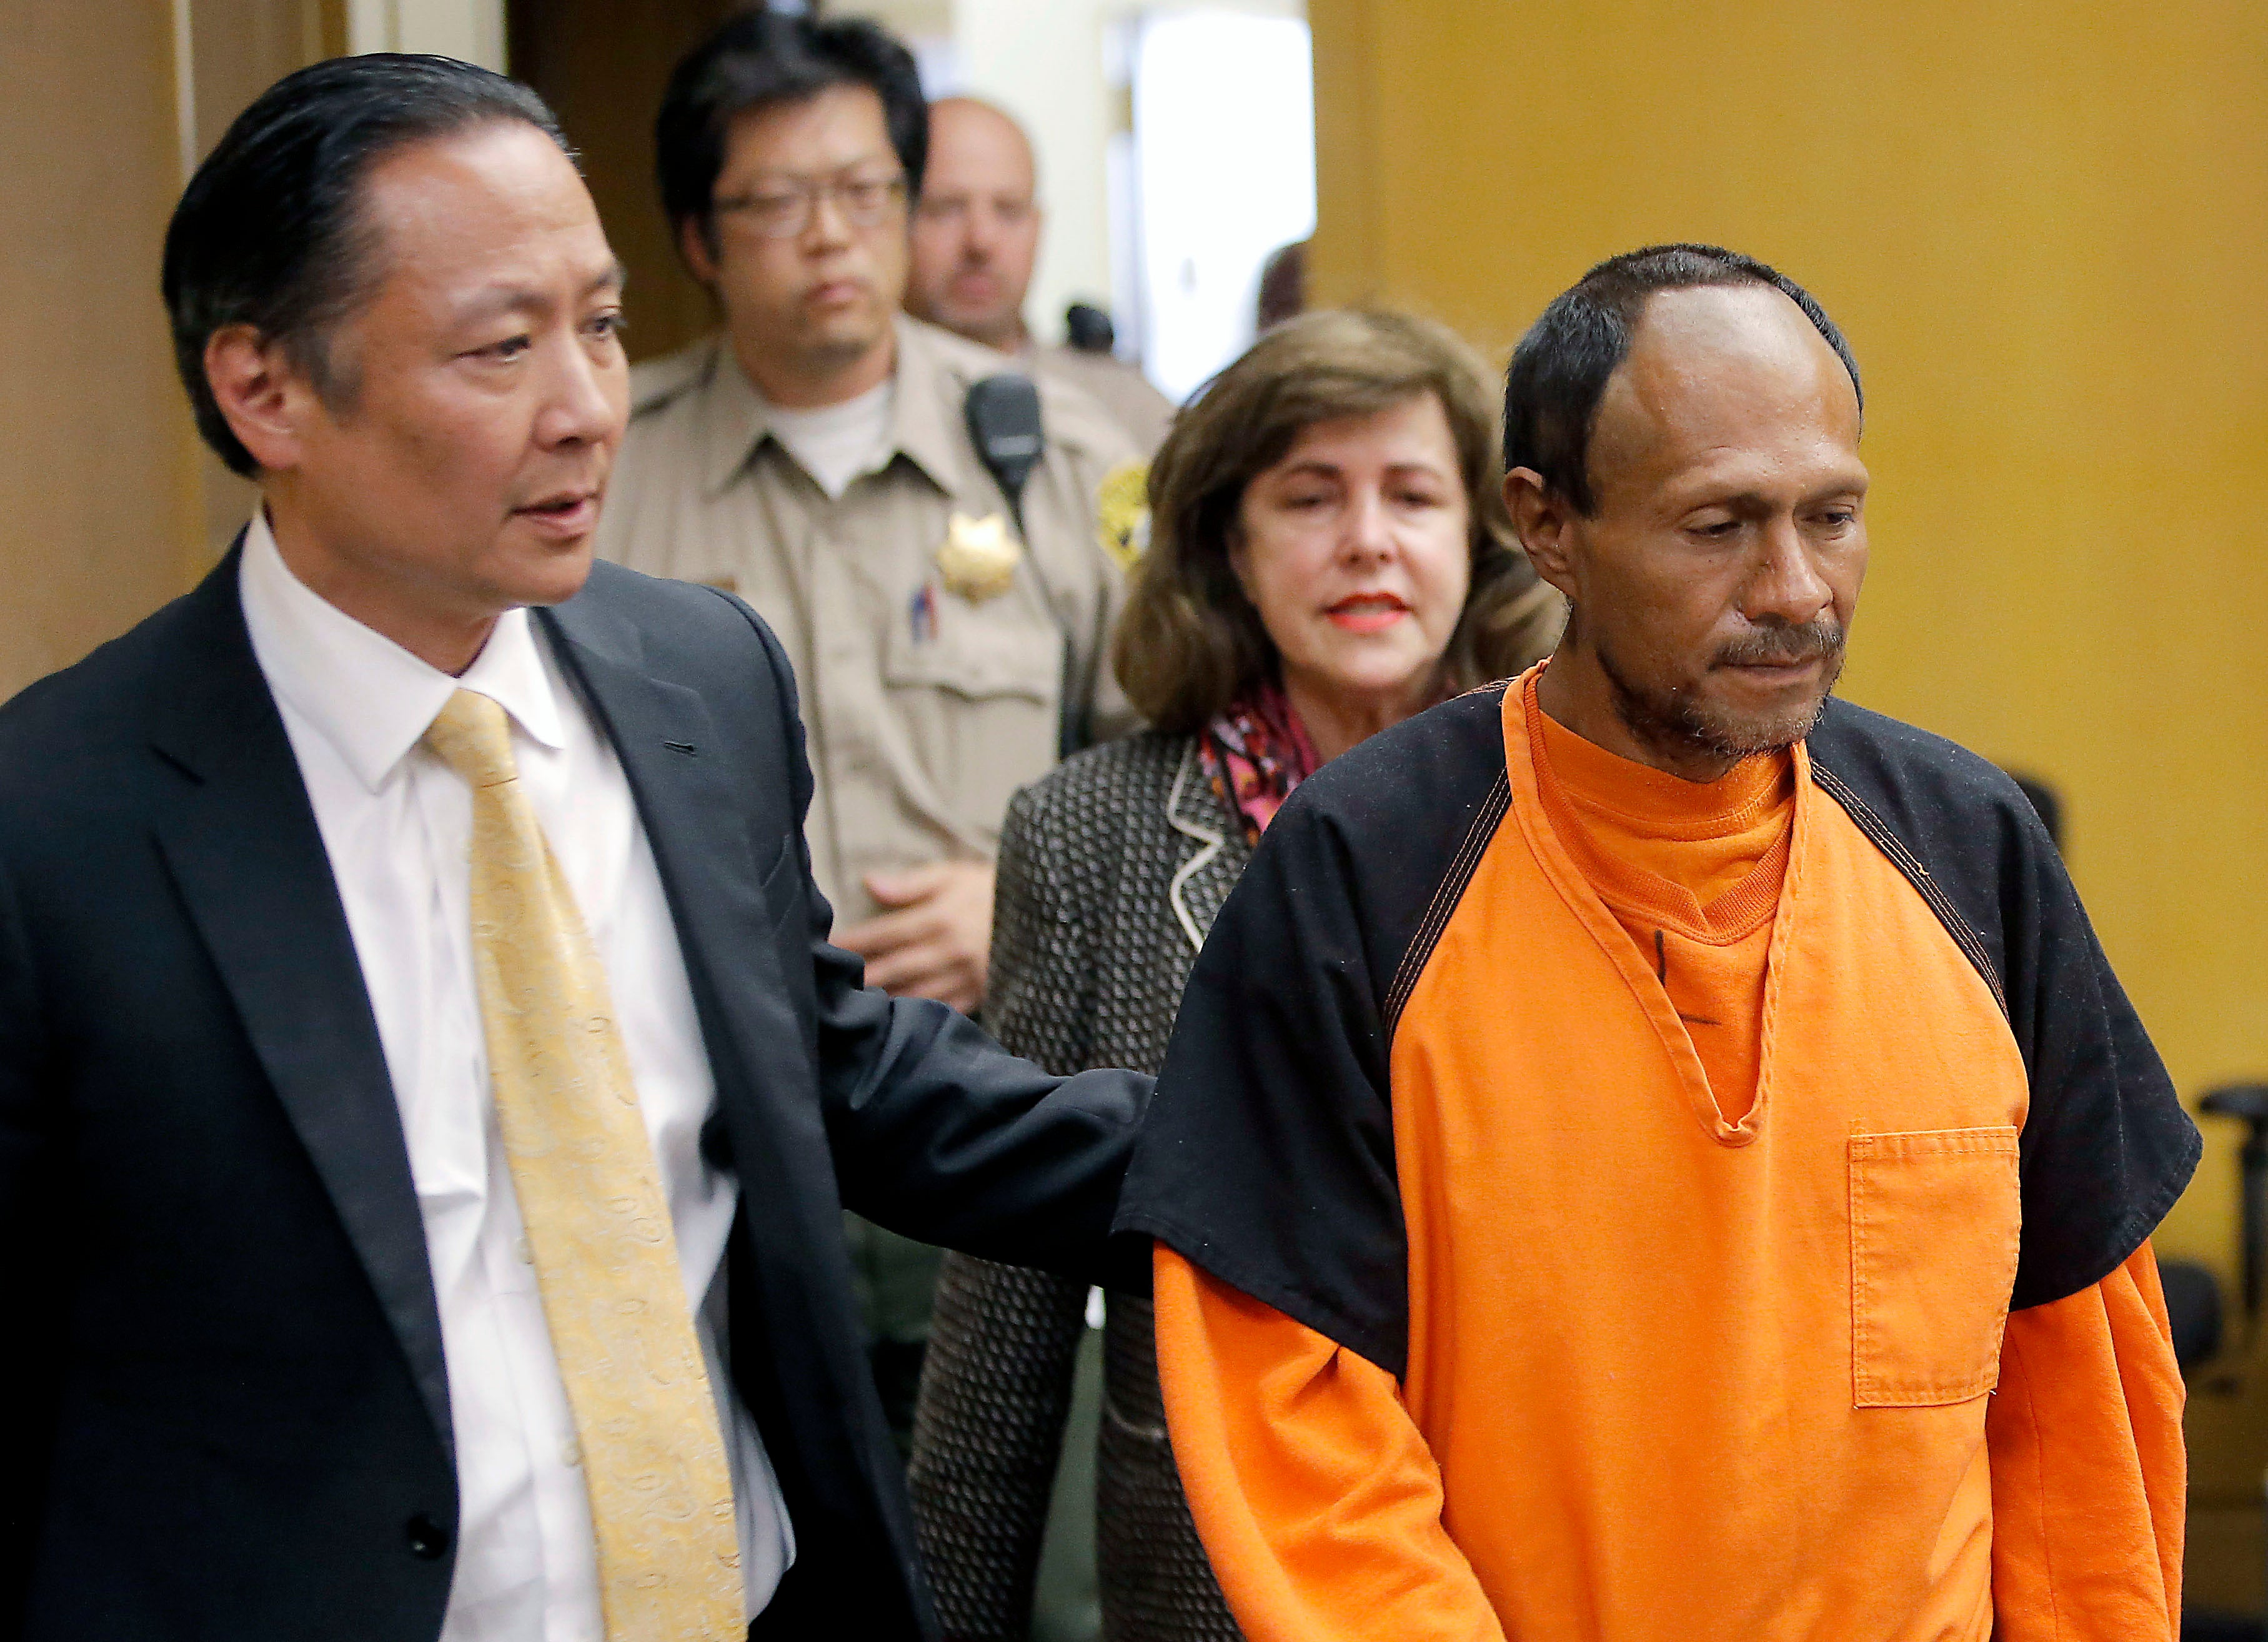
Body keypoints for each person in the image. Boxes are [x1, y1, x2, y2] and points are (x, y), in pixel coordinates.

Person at [0, 54, 1148, 1642]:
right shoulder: (60, 818)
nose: (586, 407)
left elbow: (821, 1069)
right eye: (501, 346)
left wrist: (1275, 1151)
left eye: (600, 326)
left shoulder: (698, 678)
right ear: (264, 390)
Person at [1116, 246, 2199, 1641]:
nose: (1798, 588)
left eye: (1833, 514)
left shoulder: (1971, 854)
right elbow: (1300, 1429)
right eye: (1717, 526)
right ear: (1547, 526)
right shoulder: (1360, 876)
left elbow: (2080, 1410)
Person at [908, 310, 1563, 1642]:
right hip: (1217, 1578)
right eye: (1310, 498)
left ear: (1483, 543)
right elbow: (1004, 1322)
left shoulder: (1579, 816)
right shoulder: (1086, 834)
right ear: (1229, 547)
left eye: (1413, 495)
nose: (1367, 539)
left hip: (1534, 1567)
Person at [597, 12, 1146, 1438]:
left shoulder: (1062, 455)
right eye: (776, 202)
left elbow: (1168, 781)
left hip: (995, 1092)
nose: (829, 236)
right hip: (716, 1117)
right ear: (700, 241)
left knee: (1021, 1545)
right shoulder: (605, 480)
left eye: (863, 192)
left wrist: (1025, 904)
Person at [907, 95, 1175, 452]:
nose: (980, 241)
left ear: (1038, 228)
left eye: (1009, 210)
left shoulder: (1130, 415)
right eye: (945, 209)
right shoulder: (844, 411)